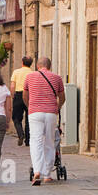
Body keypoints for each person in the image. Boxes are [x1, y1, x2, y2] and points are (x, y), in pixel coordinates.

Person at [25, 56, 65, 186]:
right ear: (50, 66)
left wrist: (30, 106)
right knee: (49, 141)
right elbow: (62, 97)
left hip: (35, 112)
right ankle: (47, 174)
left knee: (35, 141)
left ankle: (37, 171)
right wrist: (56, 107)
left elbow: (25, 96)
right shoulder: (57, 78)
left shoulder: (29, 77)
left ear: (37, 66)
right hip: (50, 113)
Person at [10, 55, 33, 146]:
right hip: (29, 95)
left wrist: (13, 95)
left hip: (18, 95)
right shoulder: (32, 73)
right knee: (29, 118)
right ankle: (28, 140)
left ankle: (20, 134)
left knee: (16, 117)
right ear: (31, 64)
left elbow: (12, 85)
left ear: (22, 63)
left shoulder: (16, 72)